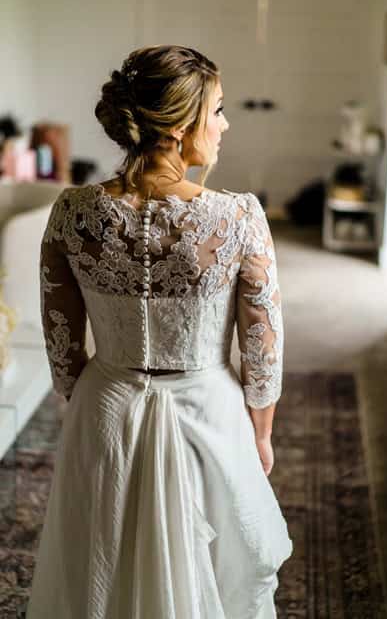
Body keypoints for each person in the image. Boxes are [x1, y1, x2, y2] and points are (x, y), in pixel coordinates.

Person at [28, 45, 293, 618]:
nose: (224, 125)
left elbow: (60, 337)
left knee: (100, 563)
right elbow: (262, 339)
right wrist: (262, 431)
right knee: (221, 570)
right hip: (209, 412)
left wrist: (88, 402)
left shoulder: (72, 211)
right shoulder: (237, 217)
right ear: (176, 127)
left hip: (105, 408)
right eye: (217, 111)